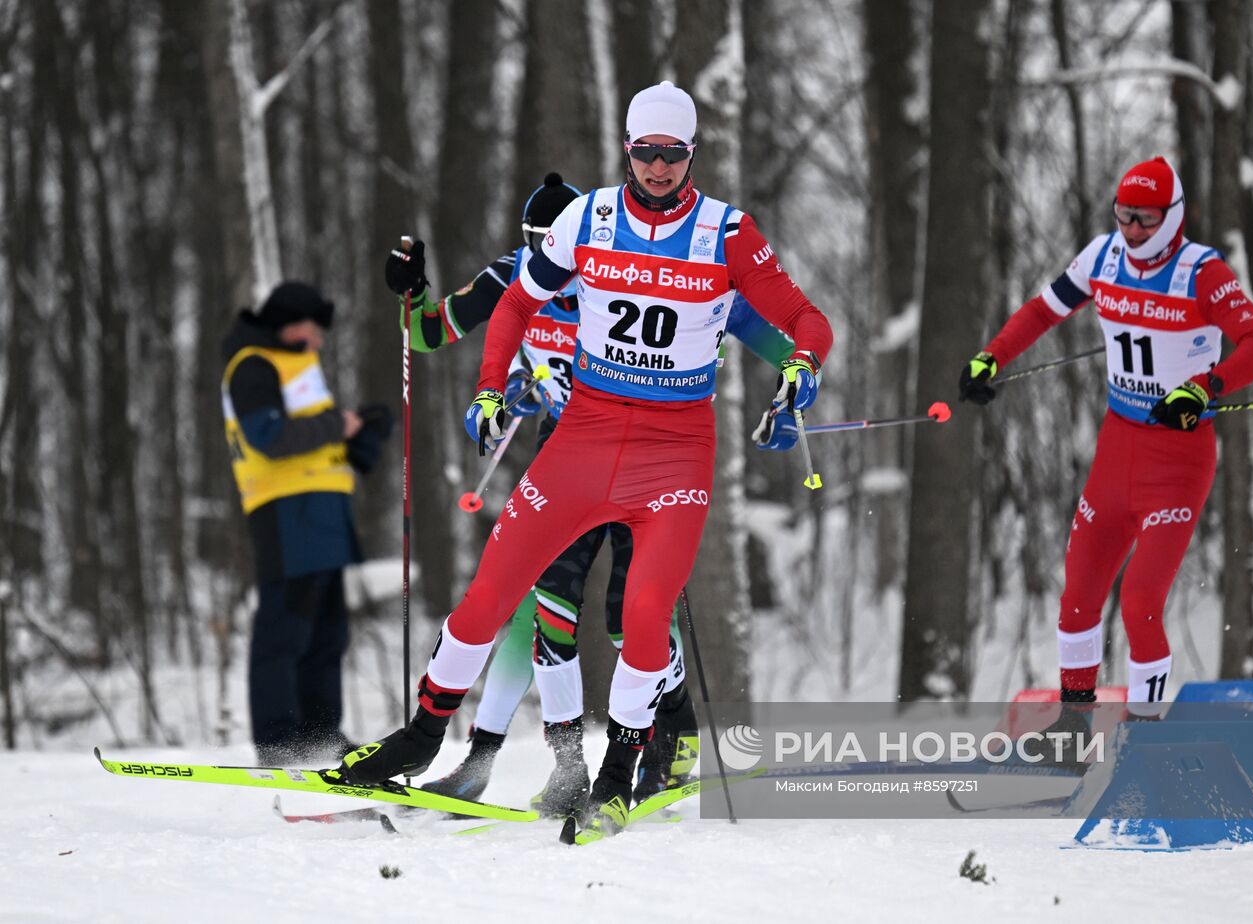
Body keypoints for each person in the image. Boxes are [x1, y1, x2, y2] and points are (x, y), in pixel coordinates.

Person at [340, 81, 833, 842]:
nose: (659, 167)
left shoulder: (725, 234)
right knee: (491, 598)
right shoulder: (585, 221)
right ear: (627, 150)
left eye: (673, 154)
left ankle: (620, 773)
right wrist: (487, 389)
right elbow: (505, 307)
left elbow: (800, 320)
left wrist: (799, 371)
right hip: (581, 442)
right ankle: (425, 735)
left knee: (637, 619)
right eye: (646, 152)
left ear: (691, 154)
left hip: (674, 451)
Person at [959, 157, 1253, 743]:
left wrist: (1204, 387)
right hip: (1116, 449)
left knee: (1140, 602)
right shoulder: (1103, 257)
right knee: (1078, 591)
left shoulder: (1200, 272)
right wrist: (993, 356)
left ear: (1172, 217)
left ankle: (1146, 740)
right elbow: (1042, 310)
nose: (1132, 231)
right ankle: (1073, 728)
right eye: (1124, 216)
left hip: (1177, 461)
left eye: (1145, 220)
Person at [221, 282, 393, 765]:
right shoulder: (253, 364)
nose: (318, 341)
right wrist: (339, 425)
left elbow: (318, 438)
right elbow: (268, 436)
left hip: (322, 508)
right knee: (285, 626)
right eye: (312, 329)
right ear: (289, 323)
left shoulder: (299, 366)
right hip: (284, 509)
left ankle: (319, 735)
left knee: (328, 629)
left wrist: (364, 432)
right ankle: (277, 741)